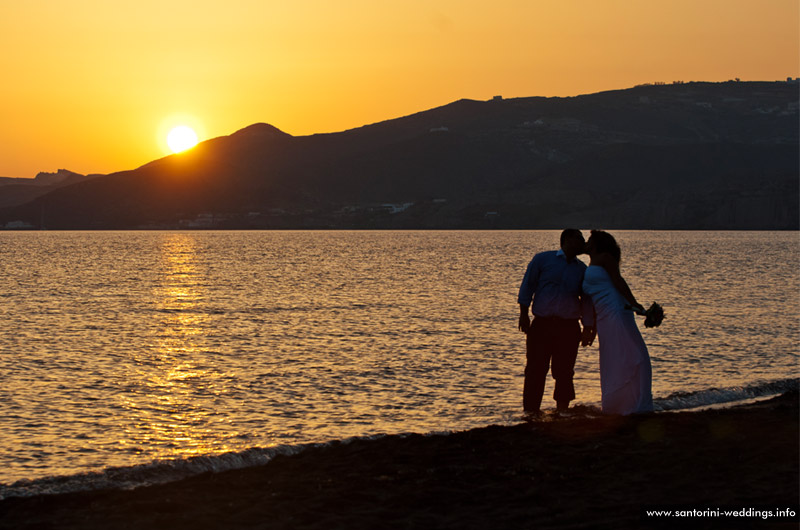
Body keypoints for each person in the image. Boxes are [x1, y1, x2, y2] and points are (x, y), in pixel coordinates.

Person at [517, 229, 596, 413]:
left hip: (568, 326)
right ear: (567, 240)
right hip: (542, 324)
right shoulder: (543, 260)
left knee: (565, 371)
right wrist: (523, 313)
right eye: (579, 239)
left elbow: (585, 300)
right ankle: (530, 411)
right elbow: (528, 286)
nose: (583, 243)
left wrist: (588, 326)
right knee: (535, 369)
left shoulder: (581, 269)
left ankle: (562, 410)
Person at [581, 230, 653, 415]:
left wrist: (634, 303)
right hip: (603, 314)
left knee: (628, 350)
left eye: (589, 240)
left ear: (596, 243)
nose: (586, 243)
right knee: (611, 355)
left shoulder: (605, 257)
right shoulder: (589, 262)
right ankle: (616, 403)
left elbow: (618, 281)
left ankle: (634, 402)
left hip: (615, 309)